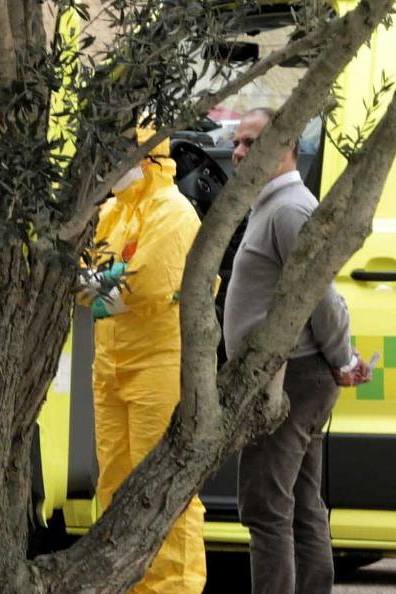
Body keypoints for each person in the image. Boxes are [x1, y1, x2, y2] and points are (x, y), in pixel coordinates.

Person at [224, 107, 373, 594]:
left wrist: (343, 357)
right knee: (302, 503)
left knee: (267, 508)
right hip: (294, 375)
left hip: (289, 378)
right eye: (238, 143)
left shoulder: (288, 210)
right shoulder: (272, 204)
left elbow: (320, 296)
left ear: (287, 146)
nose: (238, 152)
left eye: (252, 143)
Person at [80, 132, 207, 593]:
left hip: (158, 364)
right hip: (111, 363)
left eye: (118, 155)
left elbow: (149, 286)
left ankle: (172, 588)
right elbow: (85, 283)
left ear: (147, 157)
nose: (110, 166)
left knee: (164, 487)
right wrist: (109, 283)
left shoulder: (173, 214)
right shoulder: (113, 213)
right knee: (114, 482)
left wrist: (102, 286)